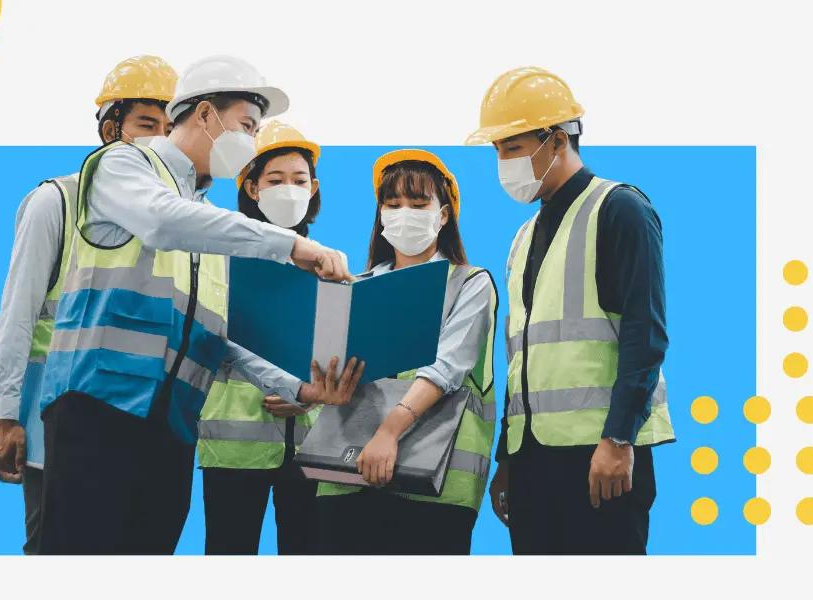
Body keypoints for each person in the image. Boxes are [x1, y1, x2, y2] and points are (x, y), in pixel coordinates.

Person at [35, 55, 351, 555]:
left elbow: (215, 338)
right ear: (205, 114)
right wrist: (290, 244)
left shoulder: (205, 219)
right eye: (247, 125)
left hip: (172, 426)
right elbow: (161, 221)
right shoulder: (123, 165)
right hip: (99, 410)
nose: (250, 141)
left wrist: (297, 387)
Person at [465, 67, 675, 555]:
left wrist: (619, 439)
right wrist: (508, 457)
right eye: (497, 150)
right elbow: (522, 359)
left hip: (600, 455)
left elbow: (645, 334)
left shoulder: (619, 209)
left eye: (513, 148)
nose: (503, 163)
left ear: (557, 140)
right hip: (533, 460)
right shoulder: (523, 237)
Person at [0, 55, 177, 554]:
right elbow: (18, 311)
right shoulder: (57, 202)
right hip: (54, 422)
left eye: (169, 128)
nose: (159, 140)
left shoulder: (172, 218)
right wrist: (5, 416)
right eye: (146, 125)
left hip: (138, 424)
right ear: (112, 130)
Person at [311, 149, 498, 555]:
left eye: (418, 203)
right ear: (380, 215)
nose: (403, 213)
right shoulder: (355, 288)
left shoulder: (469, 284)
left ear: (443, 215)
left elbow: (447, 367)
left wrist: (389, 432)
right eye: (393, 204)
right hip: (347, 475)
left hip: (434, 486)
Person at [197, 121, 335, 555]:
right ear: (252, 187)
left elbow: (339, 352)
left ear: (313, 188)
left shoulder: (327, 264)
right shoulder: (219, 256)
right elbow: (212, 336)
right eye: (275, 180)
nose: (289, 190)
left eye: (299, 180)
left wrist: (309, 399)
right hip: (234, 447)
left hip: (312, 445)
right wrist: (289, 386)